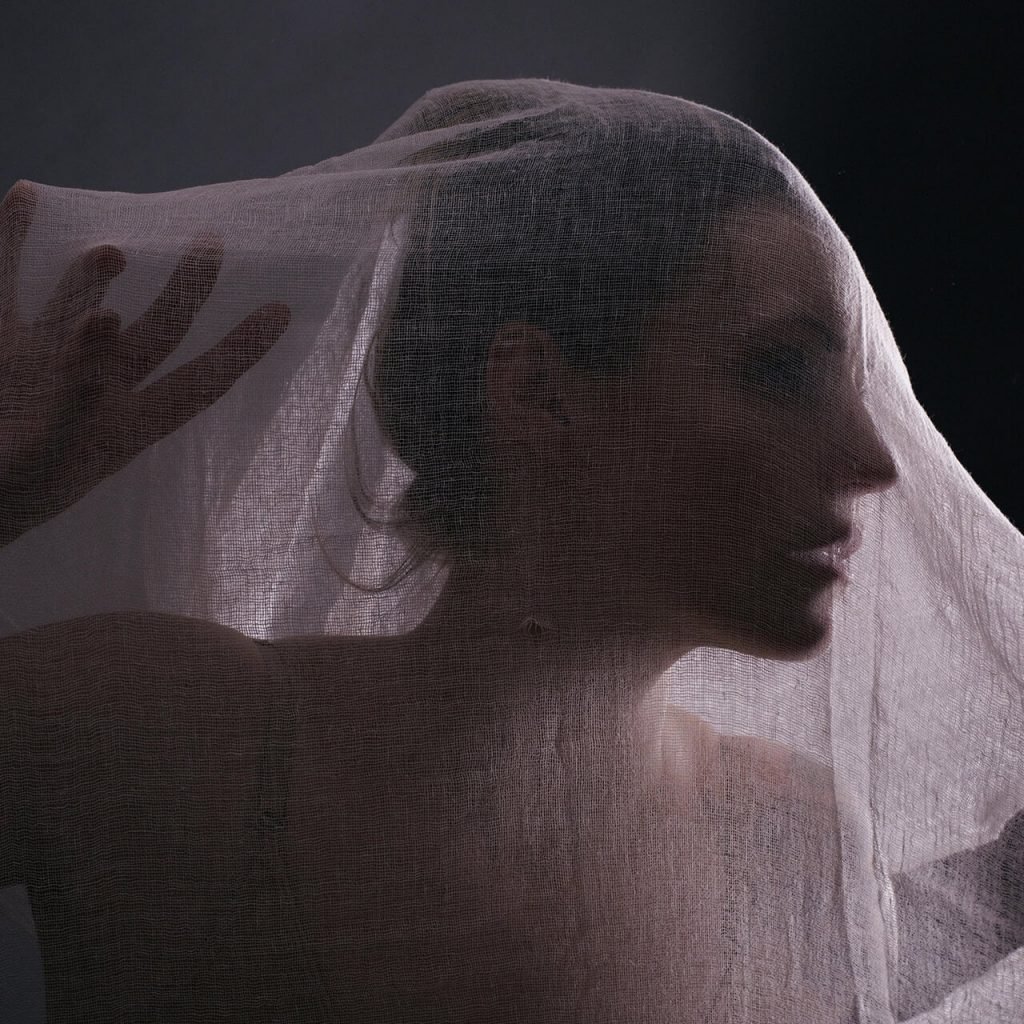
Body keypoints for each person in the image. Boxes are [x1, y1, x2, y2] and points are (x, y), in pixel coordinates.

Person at [0, 79, 1021, 1022]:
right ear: (536, 389)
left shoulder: (791, 839)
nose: (874, 460)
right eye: (781, 370)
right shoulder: (169, 734)